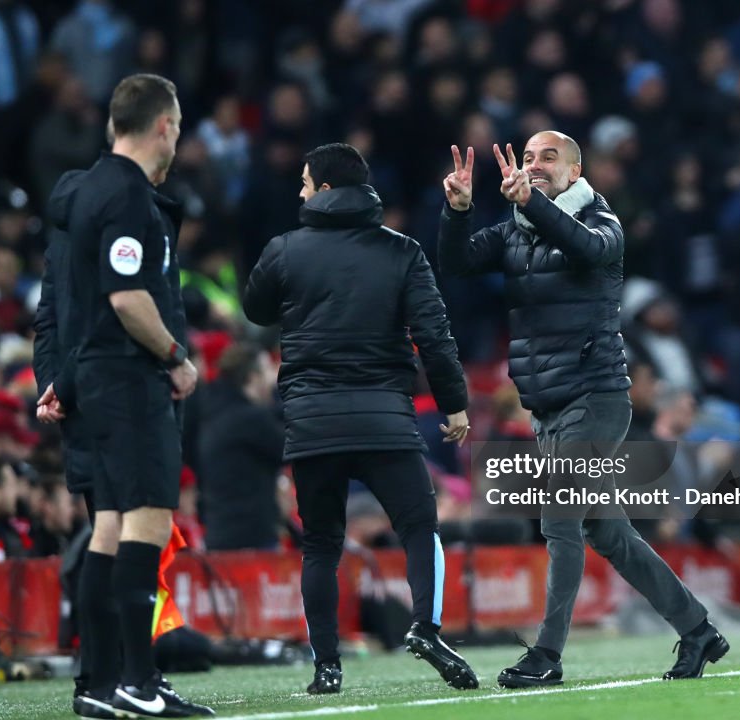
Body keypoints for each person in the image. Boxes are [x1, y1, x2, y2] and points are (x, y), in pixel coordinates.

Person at [437, 133, 729, 687]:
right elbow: (457, 265)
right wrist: (458, 210)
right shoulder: (515, 231)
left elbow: (585, 248)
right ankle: (698, 631)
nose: (535, 165)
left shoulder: (603, 223)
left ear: (576, 168)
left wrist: (532, 203)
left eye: (548, 157)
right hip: (547, 406)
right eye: (528, 158)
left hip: (596, 399)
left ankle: (546, 656)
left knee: (559, 520)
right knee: (608, 534)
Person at [243, 142, 479, 694]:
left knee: (321, 545)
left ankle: (327, 665)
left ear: (324, 190)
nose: (300, 192)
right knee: (419, 527)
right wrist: (454, 404)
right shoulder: (402, 251)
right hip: (385, 420)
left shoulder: (284, 249)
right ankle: (425, 627)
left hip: (312, 421)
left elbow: (255, 309)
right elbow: (434, 337)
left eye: (304, 183)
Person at [35, 73, 211, 718]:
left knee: (108, 526)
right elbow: (127, 296)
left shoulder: (86, 194)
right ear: (163, 124)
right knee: (146, 521)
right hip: (128, 379)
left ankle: (101, 688)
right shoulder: (129, 197)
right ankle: (138, 683)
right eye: (179, 125)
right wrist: (176, 358)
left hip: (94, 378)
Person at [199, 343, 285, 552]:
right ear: (253, 378)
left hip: (220, 533)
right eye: (267, 370)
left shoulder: (215, 412)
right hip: (252, 539)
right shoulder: (250, 419)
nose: (273, 377)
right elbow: (291, 448)